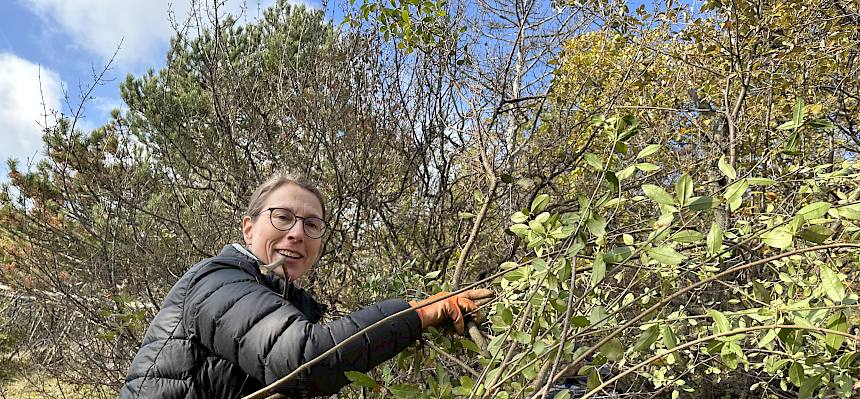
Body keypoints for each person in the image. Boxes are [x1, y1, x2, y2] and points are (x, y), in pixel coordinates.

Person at [120, 171, 493, 398]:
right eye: (282, 217)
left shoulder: (291, 304)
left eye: (312, 225)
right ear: (249, 227)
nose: (297, 233)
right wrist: (421, 312)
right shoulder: (217, 280)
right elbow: (304, 361)